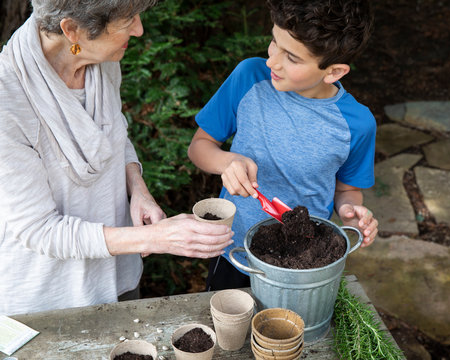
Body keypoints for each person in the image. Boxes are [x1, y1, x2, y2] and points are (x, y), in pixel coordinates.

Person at [0, 0, 234, 316]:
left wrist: (137, 187)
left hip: (118, 275)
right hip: (48, 300)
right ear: (72, 30)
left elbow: (113, 134)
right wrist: (155, 238)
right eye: (128, 21)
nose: (139, 29)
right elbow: (39, 229)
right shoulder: (8, 103)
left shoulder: (103, 58)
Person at [188, 0, 379, 291]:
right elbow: (200, 146)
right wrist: (226, 162)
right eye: (274, 43)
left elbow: (347, 190)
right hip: (234, 250)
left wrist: (352, 210)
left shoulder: (357, 124)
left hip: (303, 266)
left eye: (291, 57)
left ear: (334, 72)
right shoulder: (248, 78)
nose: (272, 62)